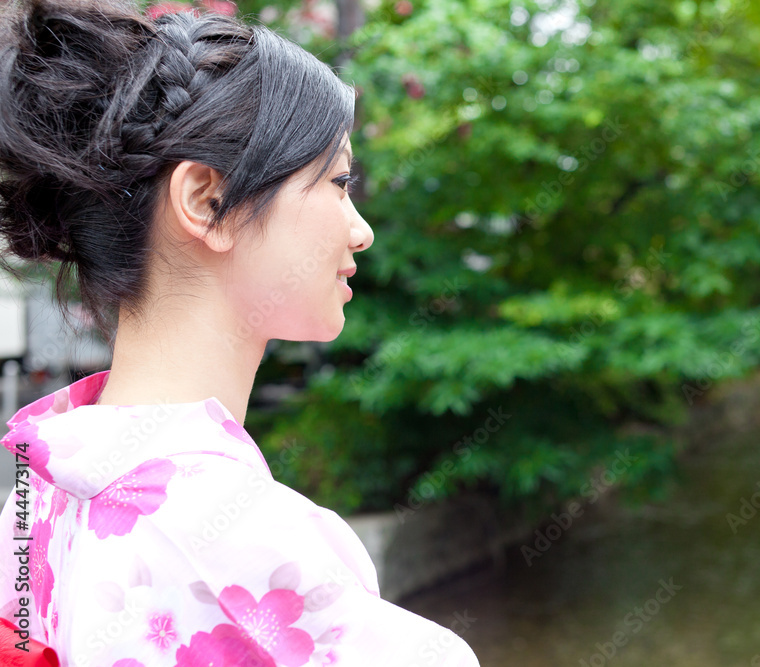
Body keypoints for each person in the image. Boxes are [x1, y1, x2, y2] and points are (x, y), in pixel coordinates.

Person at [0, 0, 481, 665]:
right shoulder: (250, 543)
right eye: (338, 182)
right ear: (207, 201)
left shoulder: (34, 494)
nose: (361, 229)